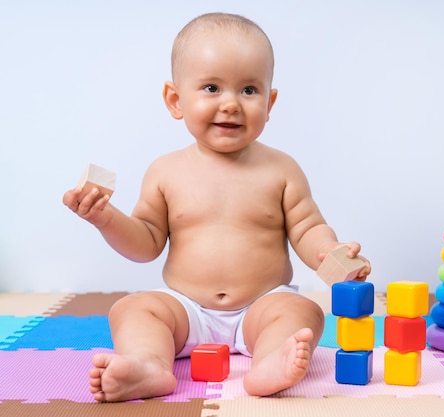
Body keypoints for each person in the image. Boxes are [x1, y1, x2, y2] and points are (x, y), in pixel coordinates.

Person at [62, 12, 370, 402]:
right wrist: (105, 218)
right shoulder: (165, 171)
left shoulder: (281, 169)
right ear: (175, 100)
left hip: (263, 304)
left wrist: (333, 254)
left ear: (270, 101)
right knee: (132, 309)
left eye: (248, 90)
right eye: (211, 87)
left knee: (302, 312)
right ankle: (148, 365)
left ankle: (269, 365)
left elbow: (308, 228)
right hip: (186, 309)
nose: (230, 104)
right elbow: (146, 243)